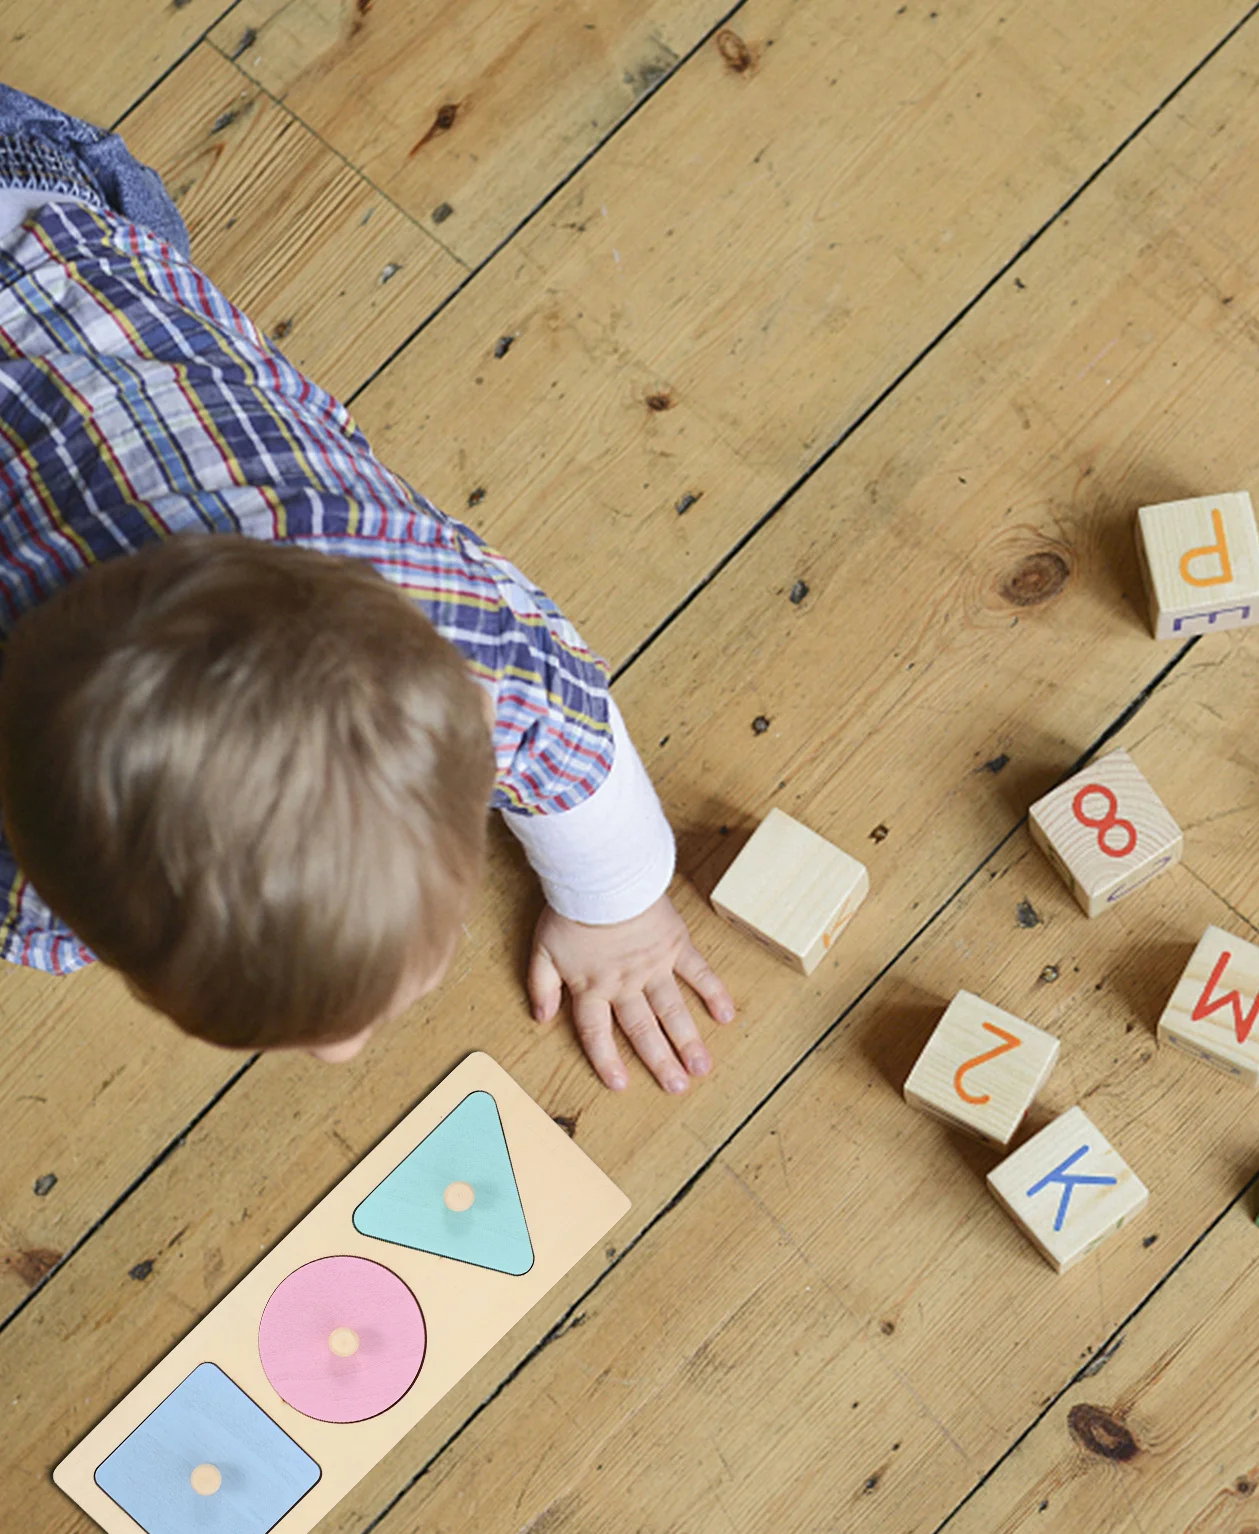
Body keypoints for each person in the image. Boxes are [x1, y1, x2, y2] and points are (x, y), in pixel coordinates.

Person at [0, 83, 734, 1092]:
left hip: (48, 216)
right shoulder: (22, 872)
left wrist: (621, 907)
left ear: (478, 707)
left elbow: (572, 736)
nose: (343, 1050)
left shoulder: (462, 625)